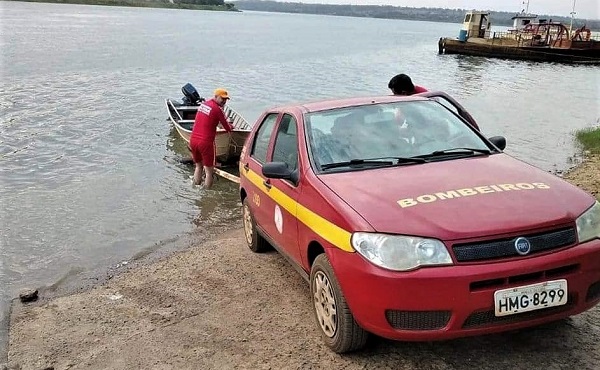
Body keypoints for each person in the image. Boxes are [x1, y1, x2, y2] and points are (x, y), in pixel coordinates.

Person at [190, 88, 234, 189]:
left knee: (198, 166)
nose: (224, 101)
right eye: (222, 98)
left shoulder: (203, 105)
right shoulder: (217, 109)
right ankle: (206, 195)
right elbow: (227, 127)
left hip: (193, 140)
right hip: (205, 142)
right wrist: (231, 127)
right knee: (209, 171)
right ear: (215, 97)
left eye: (226, 99)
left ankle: (195, 188)